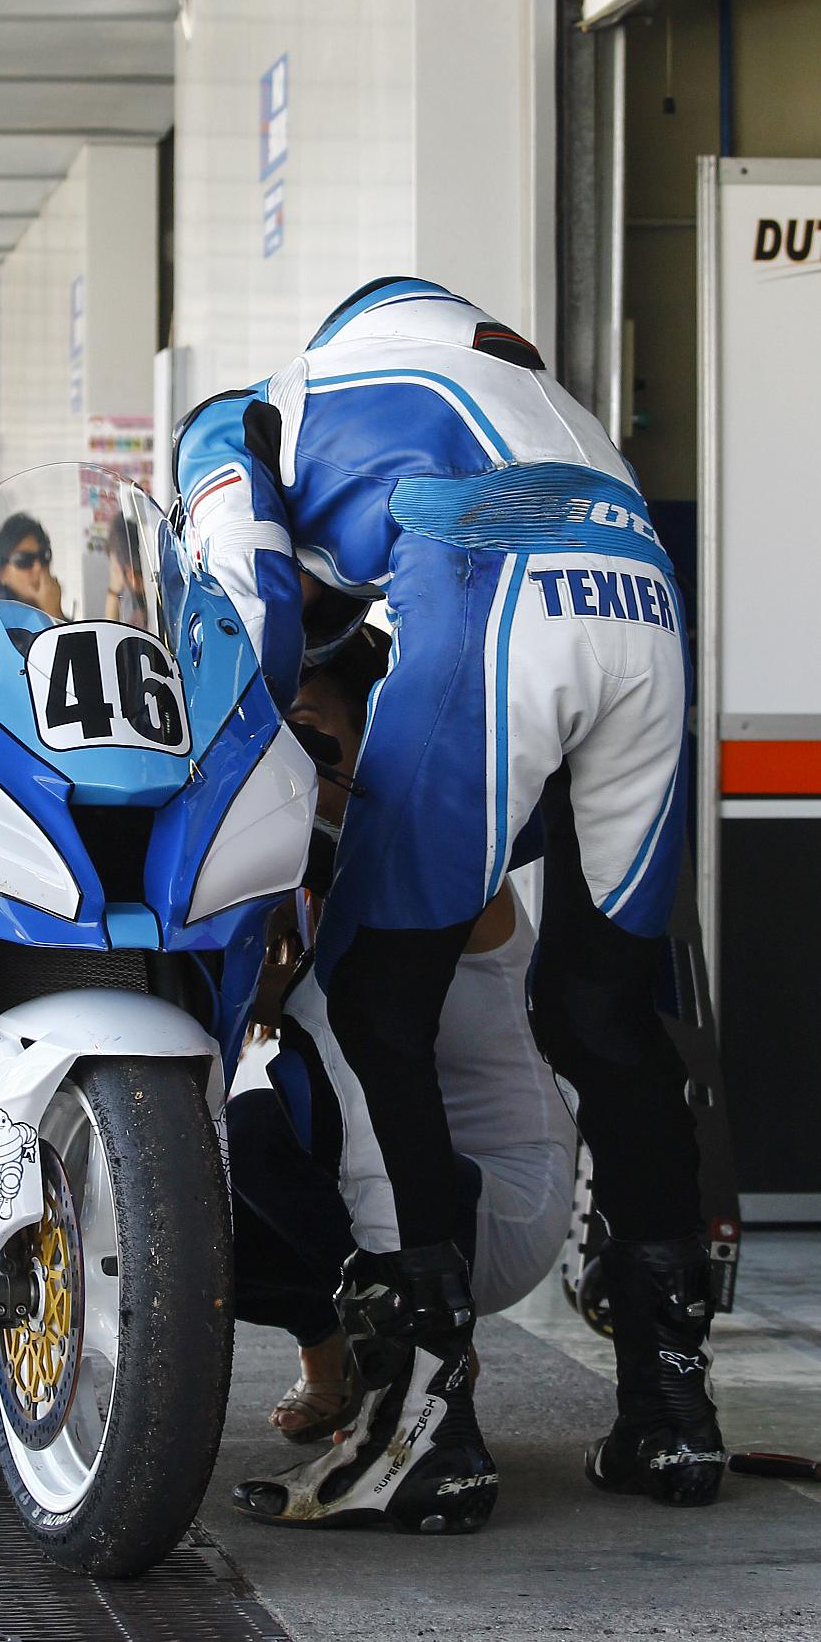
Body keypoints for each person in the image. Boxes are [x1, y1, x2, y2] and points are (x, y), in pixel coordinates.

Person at [176, 274, 720, 1533]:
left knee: (375, 1006)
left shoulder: (246, 418)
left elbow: (248, 613)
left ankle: (426, 1427)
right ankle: (669, 1415)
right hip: (641, 601)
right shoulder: (538, 397)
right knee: (603, 1013)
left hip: (494, 580)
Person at [229, 625, 574, 1474]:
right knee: (182, 1196)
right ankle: (335, 1348)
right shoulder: (311, 872)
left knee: (265, 1119)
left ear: (374, 740)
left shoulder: (441, 861)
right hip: (400, 1177)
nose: (298, 758)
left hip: (495, 1200)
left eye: (314, 732)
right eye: (282, 737)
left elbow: (350, 1014)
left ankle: (421, 1352)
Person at [0, 511, 64, 618]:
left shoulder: (36, 609)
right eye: (24, 560)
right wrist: (53, 613)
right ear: (2, 573)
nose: (38, 567)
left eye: (43, 556)